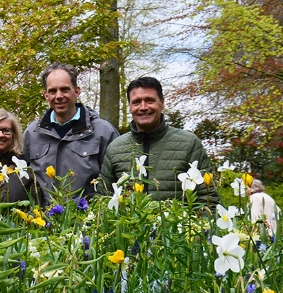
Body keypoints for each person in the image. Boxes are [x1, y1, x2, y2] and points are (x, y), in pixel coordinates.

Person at [98, 76, 219, 204]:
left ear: (162, 102)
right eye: (136, 102)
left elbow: (208, 198)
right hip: (129, 224)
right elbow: (103, 198)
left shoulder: (188, 144)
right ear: (129, 107)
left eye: (150, 100)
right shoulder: (115, 148)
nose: (143, 107)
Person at [24, 63, 119, 201]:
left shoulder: (103, 132)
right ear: (45, 95)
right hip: (43, 220)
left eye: (64, 89)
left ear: (76, 91)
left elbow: (115, 180)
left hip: (89, 219)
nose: (59, 96)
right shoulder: (32, 134)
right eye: (52, 91)